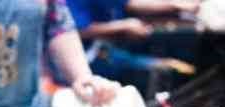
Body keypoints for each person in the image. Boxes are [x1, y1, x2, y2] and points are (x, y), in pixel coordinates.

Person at [66, 0, 200, 92]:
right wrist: (122, 26)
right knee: (159, 71)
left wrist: (173, 5)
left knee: (173, 66)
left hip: (102, 48)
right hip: (81, 60)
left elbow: (129, 3)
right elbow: (76, 30)